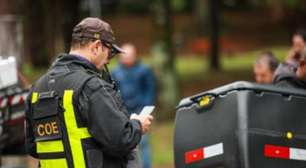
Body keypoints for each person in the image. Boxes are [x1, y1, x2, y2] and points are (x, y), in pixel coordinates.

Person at [25, 17, 153, 168]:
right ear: (97, 46)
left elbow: (33, 147)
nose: (108, 61)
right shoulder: (90, 86)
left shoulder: (36, 89)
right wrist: (138, 125)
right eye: (110, 53)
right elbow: (120, 139)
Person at [112, 44, 156, 168]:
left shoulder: (144, 70)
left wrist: (146, 106)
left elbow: (150, 89)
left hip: (140, 109)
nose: (126, 58)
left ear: (135, 56)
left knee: (143, 142)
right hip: (124, 111)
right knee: (127, 142)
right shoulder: (115, 72)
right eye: (124, 56)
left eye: (129, 55)